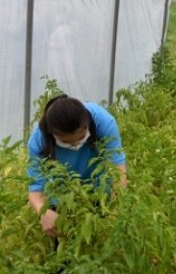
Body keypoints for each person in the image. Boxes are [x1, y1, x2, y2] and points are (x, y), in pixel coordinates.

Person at [26, 95, 127, 238]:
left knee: (102, 237)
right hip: (62, 195)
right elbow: (35, 189)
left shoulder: (102, 121)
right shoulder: (39, 140)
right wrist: (44, 212)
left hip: (99, 189)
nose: (75, 145)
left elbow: (118, 170)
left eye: (81, 138)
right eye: (66, 142)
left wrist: (117, 210)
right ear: (52, 134)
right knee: (65, 244)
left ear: (87, 125)